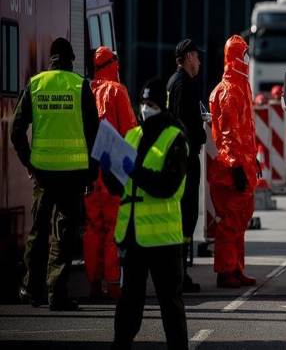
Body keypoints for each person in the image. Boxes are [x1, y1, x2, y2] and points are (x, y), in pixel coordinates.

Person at [11, 37, 99, 310]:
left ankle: (31, 289)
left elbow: (16, 130)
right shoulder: (79, 85)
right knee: (64, 233)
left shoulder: (36, 84)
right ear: (71, 59)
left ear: (51, 59)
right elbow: (94, 133)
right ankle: (57, 294)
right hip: (72, 174)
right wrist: (91, 174)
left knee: (38, 232)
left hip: (43, 173)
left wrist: (29, 162)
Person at [104, 78, 189, 350]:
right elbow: (119, 186)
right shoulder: (132, 135)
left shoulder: (175, 138)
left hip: (163, 238)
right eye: (142, 103)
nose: (145, 109)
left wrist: (135, 171)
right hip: (133, 236)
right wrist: (108, 169)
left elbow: (167, 186)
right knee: (129, 303)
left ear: (162, 105)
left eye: (151, 104)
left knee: (170, 304)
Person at [84, 46, 138, 300]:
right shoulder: (117, 91)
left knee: (93, 228)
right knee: (114, 227)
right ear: (113, 63)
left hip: (90, 171)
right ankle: (114, 284)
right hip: (113, 171)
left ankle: (94, 283)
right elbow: (131, 132)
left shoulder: (86, 90)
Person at [208, 34, 259, 288]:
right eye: (245, 54)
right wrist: (237, 166)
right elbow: (228, 136)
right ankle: (226, 271)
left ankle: (236, 268)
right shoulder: (228, 91)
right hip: (230, 170)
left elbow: (246, 131)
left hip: (242, 166)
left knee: (240, 220)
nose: (248, 59)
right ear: (236, 57)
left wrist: (253, 160)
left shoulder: (241, 86)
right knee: (230, 222)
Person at [166, 39, 206, 293]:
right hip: (185, 159)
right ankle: (178, 274)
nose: (199, 62)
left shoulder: (175, 82)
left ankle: (179, 272)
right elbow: (181, 121)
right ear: (189, 57)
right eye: (197, 57)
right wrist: (197, 137)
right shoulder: (184, 84)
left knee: (185, 214)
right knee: (186, 214)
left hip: (183, 157)